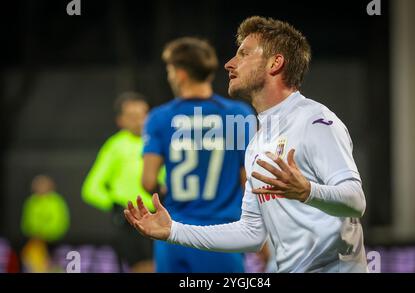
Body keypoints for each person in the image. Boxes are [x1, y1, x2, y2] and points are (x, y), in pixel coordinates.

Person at [125, 16, 367, 273]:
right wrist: (174, 230)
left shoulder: (315, 121)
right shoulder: (258, 141)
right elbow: (251, 233)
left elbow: (355, 200)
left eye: (244, 54)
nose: (229, 64)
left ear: (275, 63)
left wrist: (307, 191)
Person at [140, 37, 255, 273]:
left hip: (174, 234)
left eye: (170, 70)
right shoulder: (238, 115)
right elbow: (249, 182)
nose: (169, 76)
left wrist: (167, 193)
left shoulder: (159, 117)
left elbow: (148, 181)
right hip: (223, 236)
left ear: (180, 74)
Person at [82, 92, 166, 272]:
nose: (140, 121)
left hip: (160, 216)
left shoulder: (158, 141)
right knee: (144, 267)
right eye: (132, 116)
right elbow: (91, 188)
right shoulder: (115, 146)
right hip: (132, 221)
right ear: (120, 120)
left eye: (143, 115)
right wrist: (115, 207)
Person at [21, 175, 70, 272]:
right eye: (38, 186)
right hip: (35, 238)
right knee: (32, 258)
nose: (41, 189)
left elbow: (59, 220)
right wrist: (33, 232)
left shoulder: (56, 202)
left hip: (53, 238)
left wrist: (49, 233)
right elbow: (27, 219)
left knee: (53, 260)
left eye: (43, 186)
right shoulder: (32, 202)